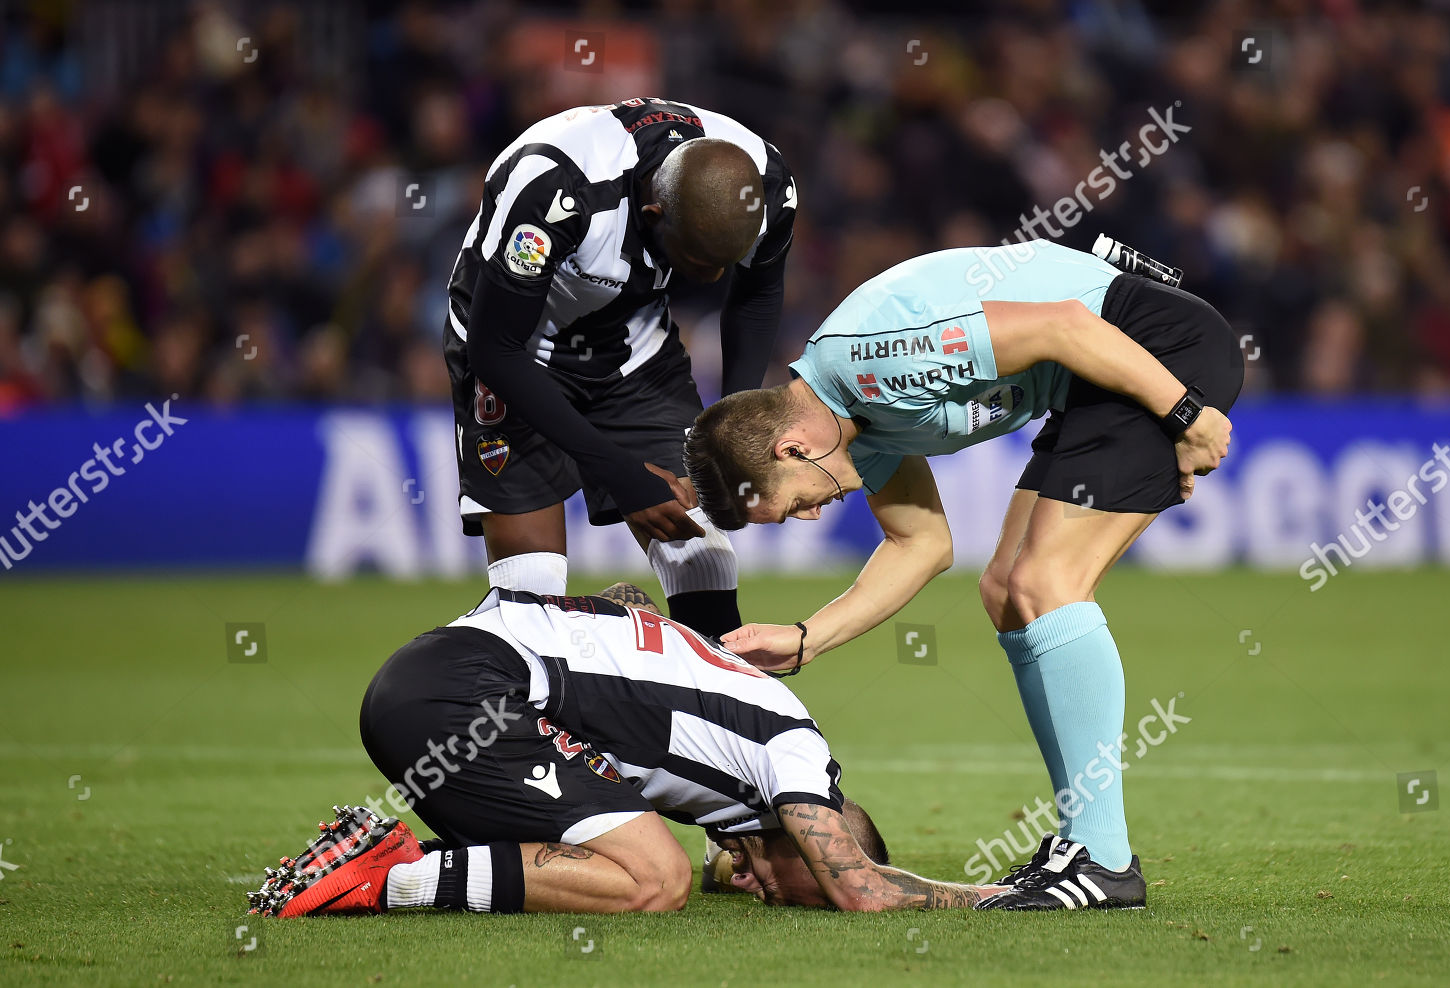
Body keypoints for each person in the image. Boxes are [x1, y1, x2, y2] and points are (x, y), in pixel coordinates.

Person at [682, 239, 1243, 910]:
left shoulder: (867, 366)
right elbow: (921, 545)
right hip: (1094, 386)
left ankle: (1103, 857)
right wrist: (806, 640)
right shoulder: (857, 423)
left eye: (794, 502)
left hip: (1152, 355)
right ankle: (1079, 845)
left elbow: (1064, 324)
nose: (810, 515)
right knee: (1006, 589)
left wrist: (1186, 414)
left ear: (792, 448)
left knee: (1045, 583)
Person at [248, 583, 1007, 917]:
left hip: (433, 681)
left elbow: (623, 600)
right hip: (468, 694)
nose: (758, 891)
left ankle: (397, 855)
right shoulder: (795, 746)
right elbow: (861, 890)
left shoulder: (736, 778)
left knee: (606, 857)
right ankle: (391, 878)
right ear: (824, 832)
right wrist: (994, 896)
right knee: (654, 880)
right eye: (788, 888)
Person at [446, 97, 796, 638]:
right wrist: (620, 474)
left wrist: (732, 425)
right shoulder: (555, 188)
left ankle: (705, 717)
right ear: (654, 215)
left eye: (724, 263)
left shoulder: (765, 183)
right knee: (532, 592)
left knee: (701, 554)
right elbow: (497, 350)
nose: (709, 279)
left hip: (633, 350)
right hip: (518, 350)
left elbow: (755, 294)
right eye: (700, 262)